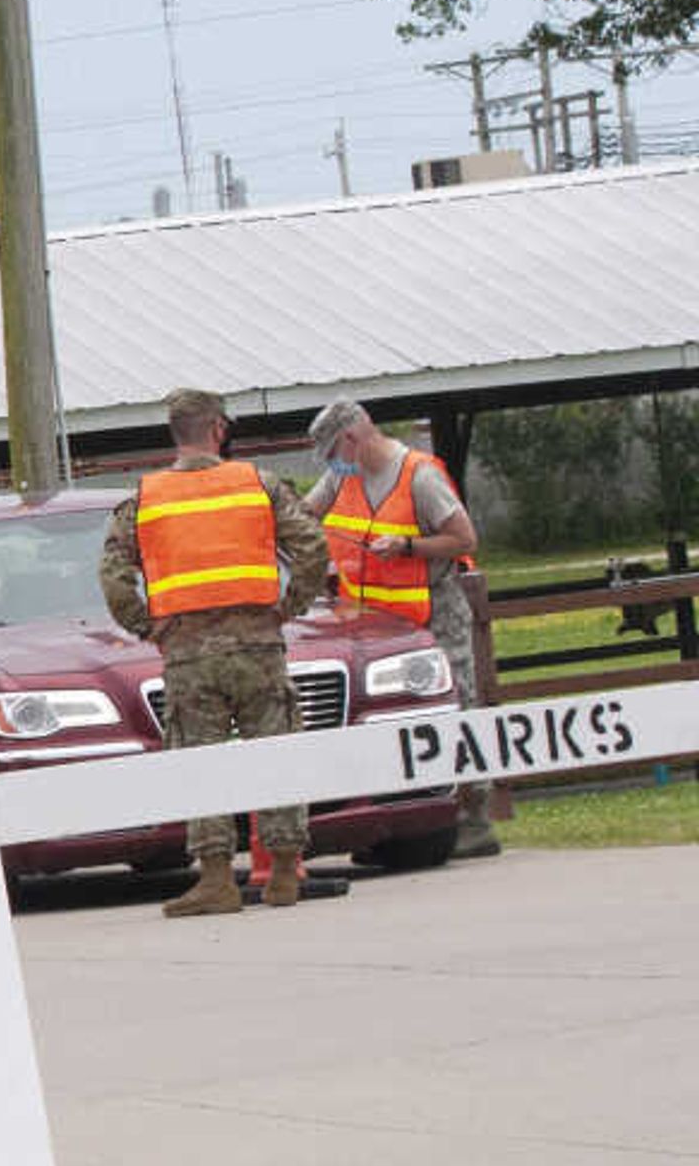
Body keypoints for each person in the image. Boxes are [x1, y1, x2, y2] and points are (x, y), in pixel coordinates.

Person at [100, 388, 332, 915]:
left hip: (188, 653)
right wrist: (287, 606)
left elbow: (113, 576)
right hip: (258, 645)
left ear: (174, 433)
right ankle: (282, 874)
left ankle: (216, 879)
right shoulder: (258, 485)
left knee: (201, 761)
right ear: (219, 430)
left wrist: (148, 626)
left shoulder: (145, 497)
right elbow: (312, 546)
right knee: (275, 749)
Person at [309, 396, 498, 859]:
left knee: (457, 706)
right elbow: (305, 513)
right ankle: (396, 823)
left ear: (352, 438)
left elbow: (464, 538)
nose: (332, 466)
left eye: (334, 453)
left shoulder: (420, 476)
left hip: (435, 613)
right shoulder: (340, 477)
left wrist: (409, 545)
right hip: (376, 627)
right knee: (383, 717)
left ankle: (475, 819)